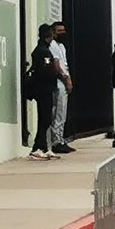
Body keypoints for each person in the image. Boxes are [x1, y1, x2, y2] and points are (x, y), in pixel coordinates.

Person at [26, 24, 61, 160]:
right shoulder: (43, 52)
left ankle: (45, 147)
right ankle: (37, 147)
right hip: (44, 88)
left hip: (43, 88)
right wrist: (55, 75)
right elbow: (46, 70)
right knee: (45, 118)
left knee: (46, 117)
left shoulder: (41, 49)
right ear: (49, 36)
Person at [47, 20, 76, 153]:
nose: (62, 33)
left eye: (63, 31)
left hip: (65, 80)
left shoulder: (61, 46)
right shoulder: (53, 45)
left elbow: (64, 65)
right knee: (58, 112)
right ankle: (56, 141)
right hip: (59, 81)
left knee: (62, 112)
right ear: (53, 33)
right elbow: (57, 65)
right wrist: (66, 79)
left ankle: (60, 138)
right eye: (59, 31)